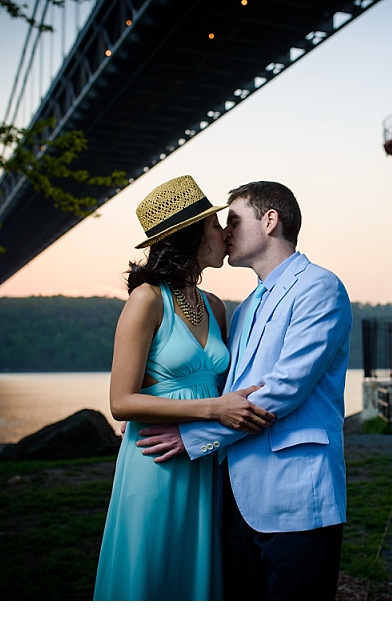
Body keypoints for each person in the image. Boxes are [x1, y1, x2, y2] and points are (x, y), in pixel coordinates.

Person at [137, 181, 353, 600]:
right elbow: (227, 388)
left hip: (296, 496)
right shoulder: (247, 305)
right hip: (233, 495)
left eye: (233, 220)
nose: (224, 231)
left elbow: (285, 388)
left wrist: (192, 436)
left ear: (270, 221)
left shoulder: (319, 288)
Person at [93, 175, 274, 601]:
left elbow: (226, 383)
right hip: (155, 458)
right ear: (191, 236)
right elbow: (121, 402)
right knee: (152, 570)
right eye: (215, 225)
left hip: (203, 456)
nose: (224, 233)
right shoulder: (147, 299)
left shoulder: (214, 305)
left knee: (197, 573)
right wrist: (212, 410)